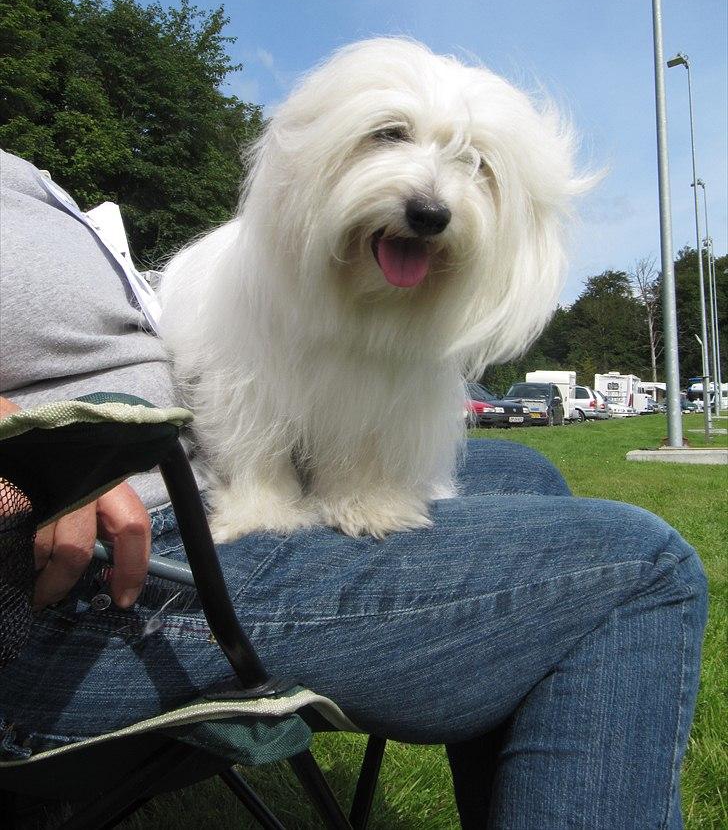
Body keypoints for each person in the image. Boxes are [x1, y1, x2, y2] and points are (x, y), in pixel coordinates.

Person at [0, 149, 708, 829]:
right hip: (97, 577)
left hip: (182, 482)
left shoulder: (24, 177)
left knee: (530, 474)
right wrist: (32, 461)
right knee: (641, 570)